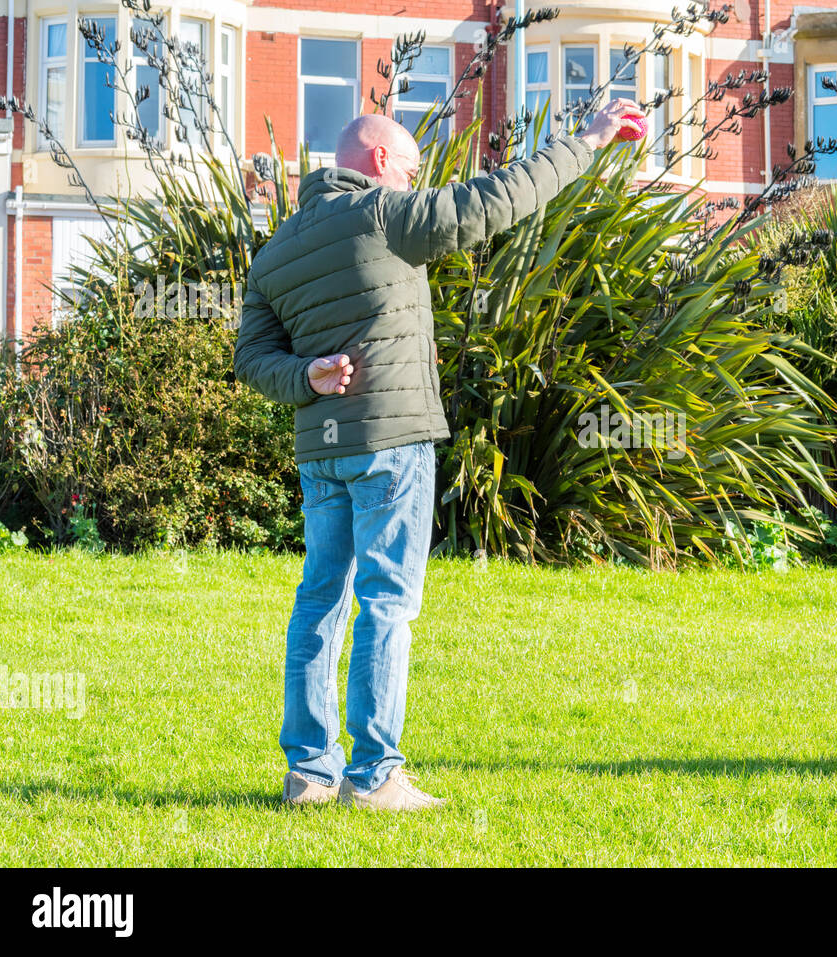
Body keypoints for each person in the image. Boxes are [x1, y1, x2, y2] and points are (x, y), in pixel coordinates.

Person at [234, 98, 647, 810]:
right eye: (414, 170)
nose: (417, 183)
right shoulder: (382, 213)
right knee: (387, 604)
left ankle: (309, 772)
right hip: (391, 442)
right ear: (382, 163)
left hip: (321, 449)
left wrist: (306, 376)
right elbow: (498, 198)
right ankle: (374, 777)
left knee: (320, 602)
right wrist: (589, 139)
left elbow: (250, 359)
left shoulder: (277, 251)